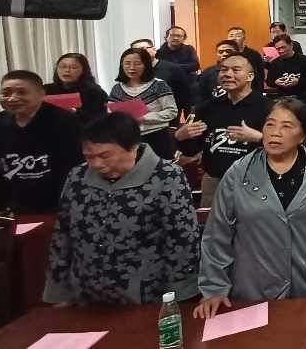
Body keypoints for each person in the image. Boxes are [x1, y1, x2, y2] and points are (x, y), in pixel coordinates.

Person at [196, 99, 306, 316]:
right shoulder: (240, 172)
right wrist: (214, 287)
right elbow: (218, 233)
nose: (275, 132)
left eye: (286, 126)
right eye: (270, 124)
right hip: (253, 288)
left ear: (302, 136)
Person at [44, 112, 200, 305]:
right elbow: (63, 233)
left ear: (133, 147)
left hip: (145, 295)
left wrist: (179, 296)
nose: (97, 164)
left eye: (105, 155)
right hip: (85, 294)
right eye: (89, 156)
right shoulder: (78, 176)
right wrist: (58, 290)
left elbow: (182, 238)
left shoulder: (166, 176)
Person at [0, 70, 82, 213]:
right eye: (6, 93)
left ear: (42, 94)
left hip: (59, 204)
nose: (12, 98)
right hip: (14, 206)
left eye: (22, 92)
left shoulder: (64, 121)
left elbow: (74, 166)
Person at [175, 53, 268, 209]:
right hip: (214, 182)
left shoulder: (268, 107)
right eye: (223, 70)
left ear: (250, 76)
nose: (227, 74)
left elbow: (285, 147)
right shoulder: (206, 108)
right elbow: (192, 150)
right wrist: (180, 137)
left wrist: (259, 137)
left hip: (256, 182)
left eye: (235, 70)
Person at [109, 48, 179, 160]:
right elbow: (111, 113)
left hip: (156, 136)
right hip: (128, 138)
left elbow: (171, 111)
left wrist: (144, 118)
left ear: (146, 65)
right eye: (127, 63)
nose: (132, 67)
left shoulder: (158, 85)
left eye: (137, 63)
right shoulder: (117, 88)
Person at [132, 38, 193, 116]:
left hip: (169, 114)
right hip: (139, 116)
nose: (141, 52)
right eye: (136, 50)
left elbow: (185, 92)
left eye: (145, 48)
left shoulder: (172, 68)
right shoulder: (131, 70)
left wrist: (188, 114)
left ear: (154, 50)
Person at [45, 53, 109, 123]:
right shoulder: (47, 89)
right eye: (63, 67)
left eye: (73, 67)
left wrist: (75, 111)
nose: (67, 70)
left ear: (83, 70)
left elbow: (101, 118)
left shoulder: (94, 91)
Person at [266, 35, 306, 100]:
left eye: (284, 47)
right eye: (278, 49)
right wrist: (276, 82)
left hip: (302, 97)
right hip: (282, 98)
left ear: (291, 45)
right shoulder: (274, 63)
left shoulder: (305, 60)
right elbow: (269, 81)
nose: (281, 51)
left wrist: (298, 81)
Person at [156, 26, 200, 92]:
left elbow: (195, 65)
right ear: (166, 37)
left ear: (184, 38)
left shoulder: (189, 49)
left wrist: (171, 67)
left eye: (179, 36)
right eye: (173, 35)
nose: (176, 38)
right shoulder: (159, 52)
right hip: (166, 86)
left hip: (188, 85)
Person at [197, 40, 239, 105]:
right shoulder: (209, 72)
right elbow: (201, 95)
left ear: (237, 52)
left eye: (228, 51)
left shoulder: (247, 70)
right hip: (215, 108)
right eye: (220, 52)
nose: (224, 54)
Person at [227, 26, 266, 92]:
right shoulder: (226, 54)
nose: (233, 38)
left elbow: (260, 76)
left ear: (244, 38)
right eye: (231, 36)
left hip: (251, 90)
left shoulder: (254, 54)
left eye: (237, 36)